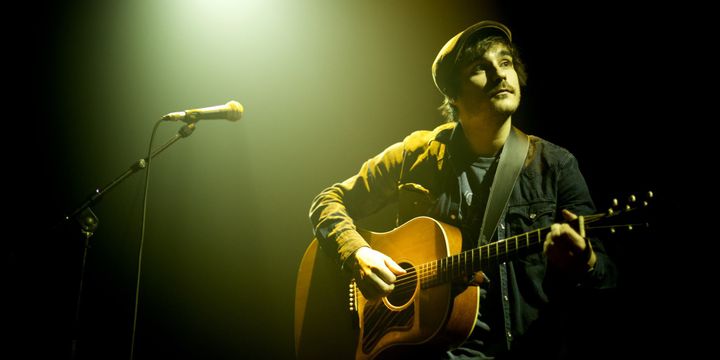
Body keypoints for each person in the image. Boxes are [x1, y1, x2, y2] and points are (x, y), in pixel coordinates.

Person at [309, 20, 617, 359]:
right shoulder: (416, 155)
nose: (500, 75)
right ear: (453, 94)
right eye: (479, 68)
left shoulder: (555, 166)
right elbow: (327, 201)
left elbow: (607, 275)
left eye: (505, 62)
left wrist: (585, 262)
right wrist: (358, 254)